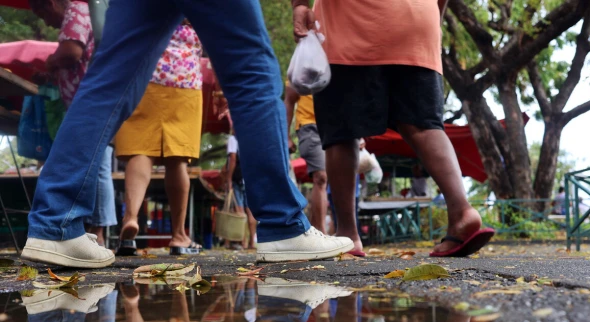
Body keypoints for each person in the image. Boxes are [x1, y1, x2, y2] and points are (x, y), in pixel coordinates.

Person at [21, 0, 354, 269]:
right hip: (184, 87)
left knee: (110, 78)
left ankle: (55, 222)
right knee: (251, 69)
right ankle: (283, 224)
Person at [292, 0, 494, 258]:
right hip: (417, 23)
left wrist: (299, 4)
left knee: (343, 133)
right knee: (423, 125)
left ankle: (348, 236)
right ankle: (463, 212)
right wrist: (434, 16)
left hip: (349, 25)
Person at [29, 0, 117, 247]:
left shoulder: (76, 9)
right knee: (95, 165)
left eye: (42, 12)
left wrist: (52, 60)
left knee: (96, 167)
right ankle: (92, 230)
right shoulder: (81, 12)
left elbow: (72, 52)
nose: (45, 21)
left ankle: (96, 232)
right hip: (87, 99)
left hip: (88, 100)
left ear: (52, 3)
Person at [115, 22, 204, 256]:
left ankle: (130, 218)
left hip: (145, 73)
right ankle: (178, 236)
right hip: (184, 79)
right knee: (177, 159)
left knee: (140, 149)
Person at [284, 83, 328, 233]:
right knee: (321, 176)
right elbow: (289, 99)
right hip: (309, 126)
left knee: (335, 181)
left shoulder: (341, 60)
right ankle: (322, 232)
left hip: (335, 124)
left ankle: (317, 232)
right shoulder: (301, 61)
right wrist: (286, 136)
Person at [225, 128, 258, 250]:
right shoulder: (249, 140)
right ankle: (251, 243)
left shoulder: (233, 139)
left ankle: (242, 242)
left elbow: (233, 159)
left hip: (237, 179)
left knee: (239, 212)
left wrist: (228, 179)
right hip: (249, 179)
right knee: (250, 212)